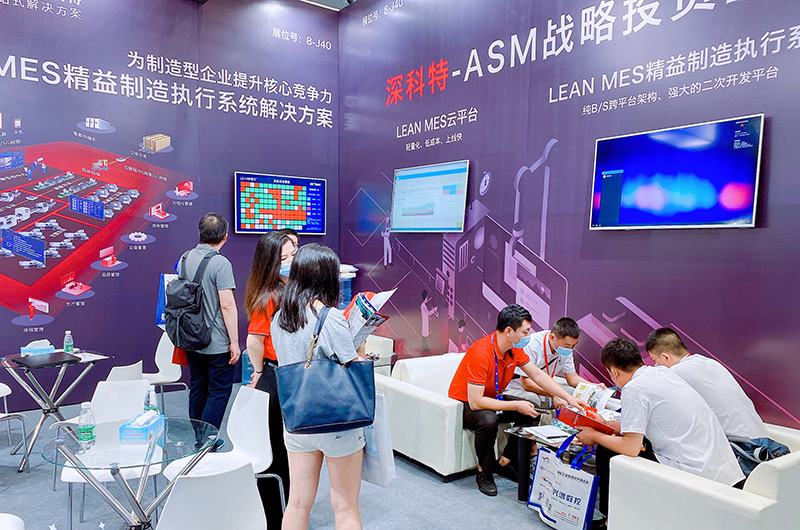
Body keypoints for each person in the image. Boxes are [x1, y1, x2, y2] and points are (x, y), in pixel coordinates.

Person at [576, 338, 744, 526]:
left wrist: (595, 436)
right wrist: (606, 424)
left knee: (607, 451)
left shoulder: (634, 388)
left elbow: (631, 447)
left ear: (614, 373)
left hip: (695, 470)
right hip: (725, 470)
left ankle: (611, 520)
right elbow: (643, 423)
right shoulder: (662, 373)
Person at [271, 243, 366, 530]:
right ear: (327, 277)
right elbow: (351, 364)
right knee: (345, 506)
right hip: (335, 419)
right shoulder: (330, 317)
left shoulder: (279, 318)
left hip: (297, 419)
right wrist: (361, 344)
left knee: (297, 503)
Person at [448, 304, 588, 496]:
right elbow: (476, 402)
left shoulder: (514, 350)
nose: (528, 336)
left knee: (532, 410)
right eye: (525, 331)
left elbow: (537, 375)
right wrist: (515, 404)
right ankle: (484, 473)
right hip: (465, 403)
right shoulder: (481, 352)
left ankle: (506, 461)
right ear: (509, 331)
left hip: (493, 398)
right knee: (489, 420)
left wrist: (569, 398)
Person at [645, 327, 788, 474]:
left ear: (665, 358)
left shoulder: (676, 374)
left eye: (655, 361)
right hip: (766, 445)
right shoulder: (709, 362)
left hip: (744, 454)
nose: (655, 366)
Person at [244, 231, 296, 529]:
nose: (291, 261)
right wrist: (260, 370)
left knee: (290, 450)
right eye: (284, 258)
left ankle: (290, 512)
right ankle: (274, 517)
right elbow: (254, 340)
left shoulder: (293, 290)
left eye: (294, 254)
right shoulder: (269, 296)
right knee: (275, 451)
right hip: (275, 377)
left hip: (289, 375)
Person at [179, 213, 240, 430]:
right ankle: (208, 441)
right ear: (225, 236)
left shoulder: (185, 257)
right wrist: (234, 342)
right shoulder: (221, 263)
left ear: (199, 233)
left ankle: (199, 437)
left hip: (190, 337)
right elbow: (227, 305)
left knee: (197, 386)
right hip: (216, 341)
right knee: (219, 391)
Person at [505, 317, 595, 407]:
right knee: (533, 399)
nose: (570, 349)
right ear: (552, 337)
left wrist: (595, 387)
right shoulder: (531, 345)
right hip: (520, 387)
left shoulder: (566, 348)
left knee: (573, 393)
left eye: (573, 345)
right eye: (567, 345)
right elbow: (526, 383)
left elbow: (572, 378)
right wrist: (554, 395)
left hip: (546, 385)